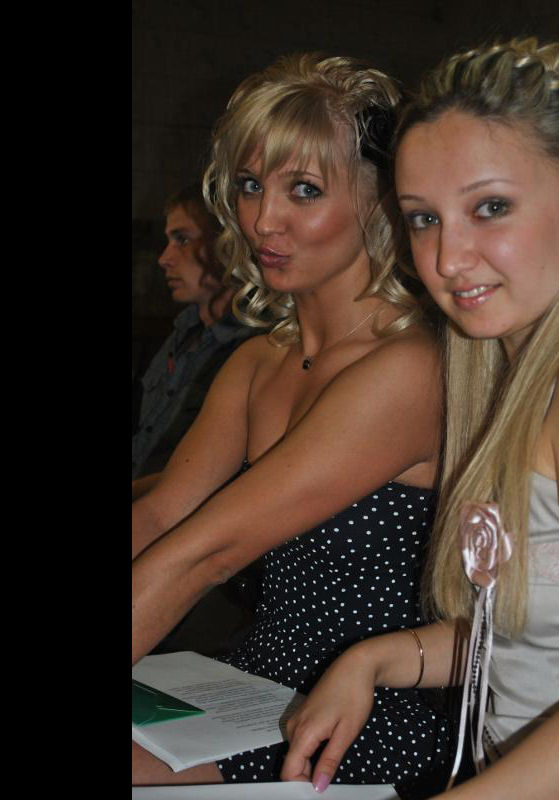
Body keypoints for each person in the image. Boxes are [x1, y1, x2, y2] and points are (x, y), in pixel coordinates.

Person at [280, 37, 559, 799]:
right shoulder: (513, 382)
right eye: (423, 219)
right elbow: (535, 636)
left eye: (490, 208)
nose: (448, 258)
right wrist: (376, 659)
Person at [132, 53, 454, 793]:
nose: (262, 220)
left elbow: (208, 553)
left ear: (380, 201)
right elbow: (160, 518)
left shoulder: (409, 369)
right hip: (249, 685)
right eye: (250, 185)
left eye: (304, 190)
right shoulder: (257, 361)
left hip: (371, 710)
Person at [132, 183, 261, 487]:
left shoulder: (254, 345)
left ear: (227, 242)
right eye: (169, 240)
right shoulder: (184, 329)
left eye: (182, 239)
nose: (164, 258)